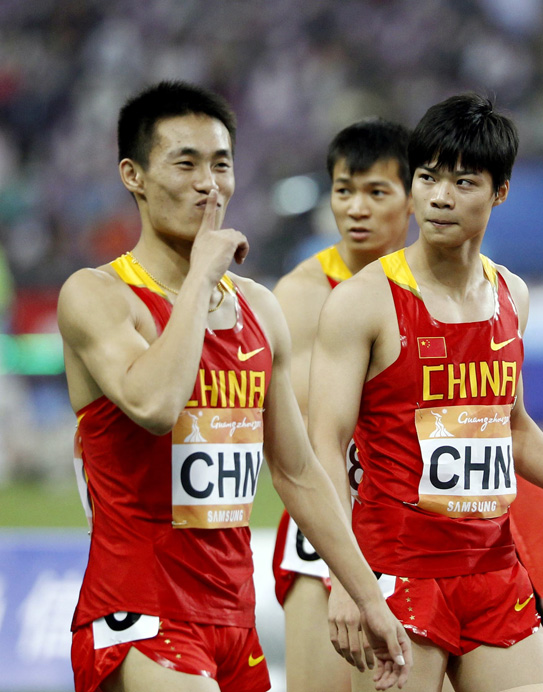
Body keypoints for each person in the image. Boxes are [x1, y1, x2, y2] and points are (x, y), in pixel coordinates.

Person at [59, 81, 410, 692]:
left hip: (233, 617)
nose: (209, 184)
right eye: (186, 164)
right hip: (141, 612)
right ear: (133, 176)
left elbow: (298, 472)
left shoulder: (259, 309)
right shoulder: (97, 295)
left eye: (221, 165)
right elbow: (154, 404)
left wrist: (367, 595)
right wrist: (200, 275)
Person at [308, 92, 543, 692]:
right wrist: (346, 580)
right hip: (398, 574)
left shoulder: (511, 296)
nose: (440, 197)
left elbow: (511, 427)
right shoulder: (363, 301)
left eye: (463, 182)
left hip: (493, 575)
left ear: (500, 192)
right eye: (427, 178)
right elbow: (325, 447)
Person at [270, 117, 421, 692]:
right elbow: (309, 441)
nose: (356, 208)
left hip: (423, 523)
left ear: (412, 199)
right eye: (343, 190)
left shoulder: (437, 286)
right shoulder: (303, 295)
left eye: (376, 192)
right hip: (332, 519)